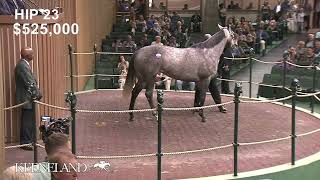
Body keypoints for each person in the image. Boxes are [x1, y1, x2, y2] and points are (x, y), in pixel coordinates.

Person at [15, 47, 42, 151]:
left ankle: (29, 140)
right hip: (26, 98)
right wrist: (38, 93)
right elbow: (29, 82)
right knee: (26, 121)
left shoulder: (24, 64)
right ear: (27, 55)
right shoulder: (22, 66)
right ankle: (26, 142)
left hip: (28, 97)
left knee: (29, 120)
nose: (33, 55)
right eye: (32, 53)